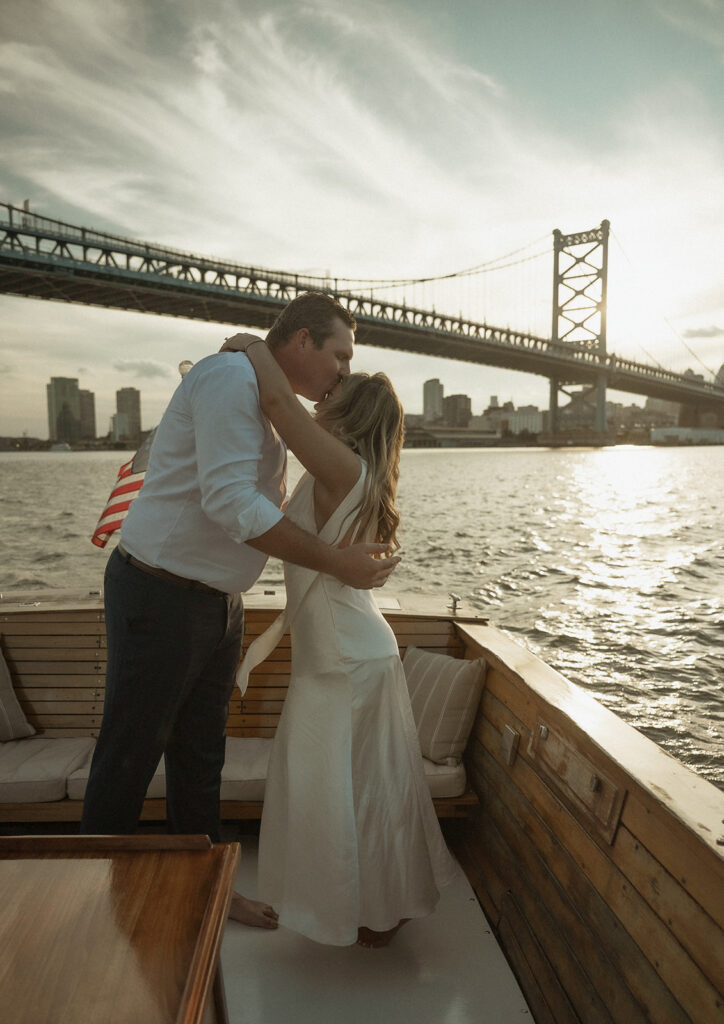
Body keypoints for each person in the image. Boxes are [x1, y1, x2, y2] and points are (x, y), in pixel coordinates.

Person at [80, 292, 400, 930]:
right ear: (303, 341)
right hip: (161, 592)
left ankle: (209, 892)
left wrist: (257, 351)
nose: (342, 370)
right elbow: (231, 504)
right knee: (129, 753)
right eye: (339, 354)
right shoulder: (230, 379)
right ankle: (84, 901)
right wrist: (336, 563)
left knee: (201, 757)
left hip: (217, 602)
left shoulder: (270, 398)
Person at [224, 332, 458, 947]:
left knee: (349, 793)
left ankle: (376, 912)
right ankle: (378, 908)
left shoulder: (342, 467)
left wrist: (255, 348)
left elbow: (279, 406)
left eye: (333, 394)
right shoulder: (357, 473)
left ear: (347, 416)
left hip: (344, 661)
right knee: (366, 791)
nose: (321, 396)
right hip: (346, 653)